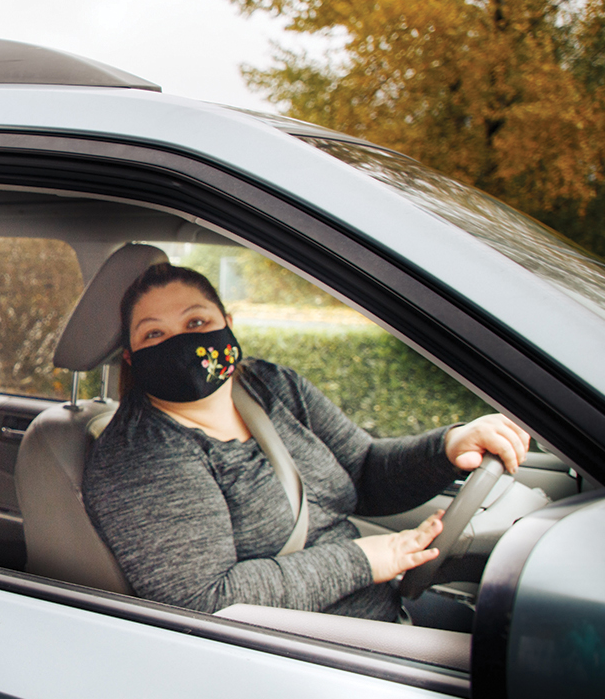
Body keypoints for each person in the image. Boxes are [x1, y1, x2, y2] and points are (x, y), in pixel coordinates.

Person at [83, 262, 529, 622]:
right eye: (154, 334)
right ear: (132, 357)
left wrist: (448, 447)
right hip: (310, 654)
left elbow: (364, 469)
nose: (180, 344)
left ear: (228, 326)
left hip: (384, 609)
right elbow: (205, 599)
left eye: (196, 321)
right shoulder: (140, 456)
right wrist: (364, 561)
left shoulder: (269, 384)